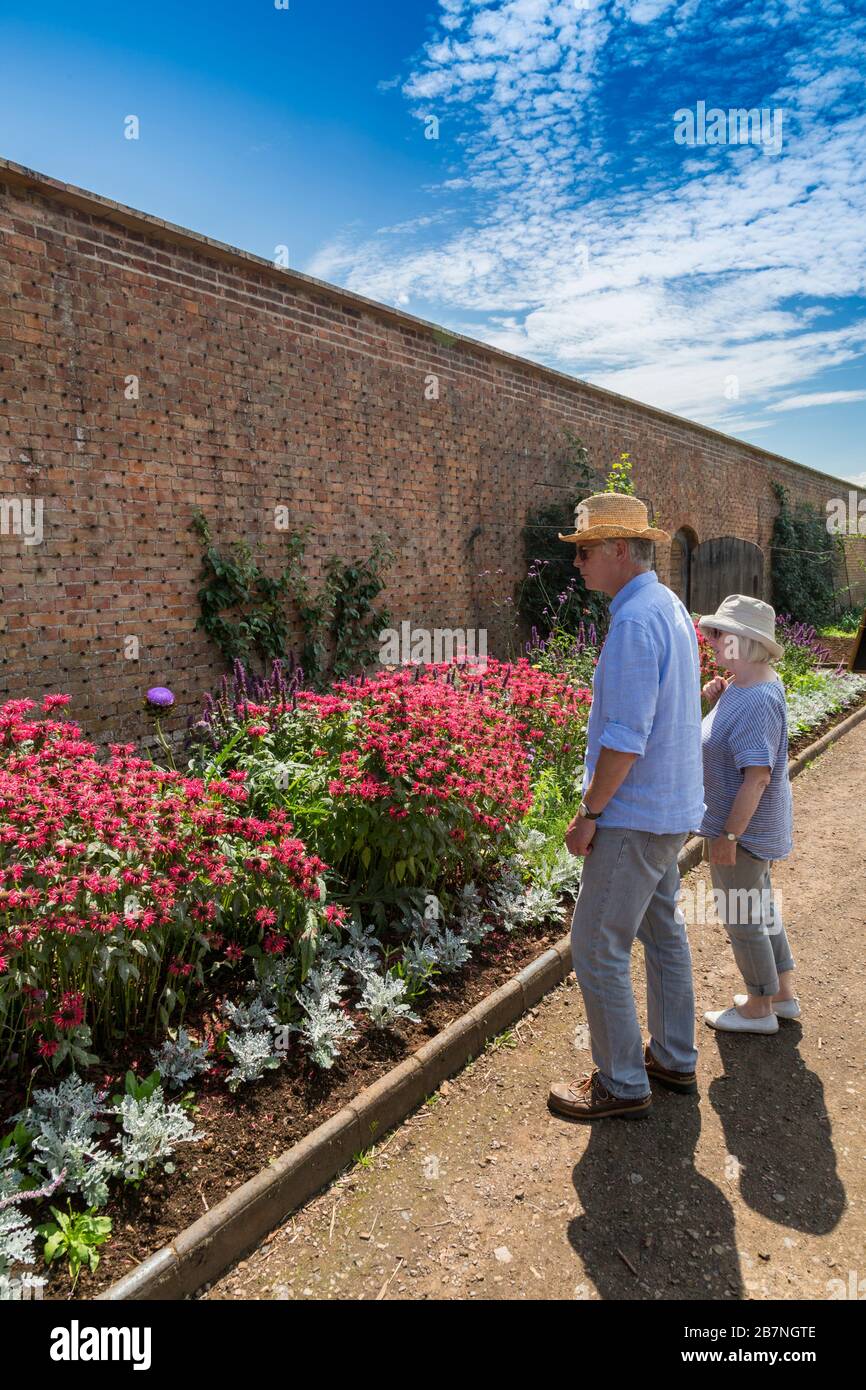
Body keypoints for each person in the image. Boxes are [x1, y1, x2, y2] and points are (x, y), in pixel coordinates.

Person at [547, 493, 706, 1121]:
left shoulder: (635, 622)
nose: (578, 563)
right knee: (663, 931)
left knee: (596, 946)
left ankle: (621, 1083)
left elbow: (624, 739)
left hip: (634, 815)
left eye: (584, 551)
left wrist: (589, 813)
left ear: (618, 550)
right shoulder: (665, 605)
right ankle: (672, 1057)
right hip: (669, 810)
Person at [697, 595, 796, 1034]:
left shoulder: (756, 699)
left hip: (745, 835)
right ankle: (781, 994)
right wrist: (714, 699)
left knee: (743, 916)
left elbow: (755, 779)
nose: (712, 641)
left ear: (744, 640)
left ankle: (759, 1007)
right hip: (752, 831)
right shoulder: (745, 684)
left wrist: (729, 837)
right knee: (761, 908)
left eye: (720, 634)